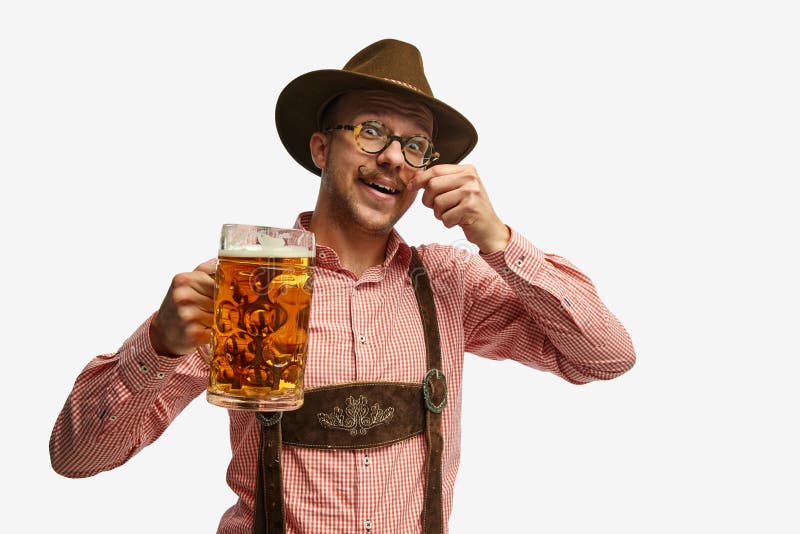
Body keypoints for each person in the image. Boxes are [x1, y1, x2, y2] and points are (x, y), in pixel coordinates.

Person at [50, 39, 636, 533]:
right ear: (322, 147)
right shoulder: (251, 285)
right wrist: (158, 345)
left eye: (415, 145)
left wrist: (500, 240)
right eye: (373, 130)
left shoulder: (450, 283)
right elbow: (76, 457)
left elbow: (606, 357)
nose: (394, 160)